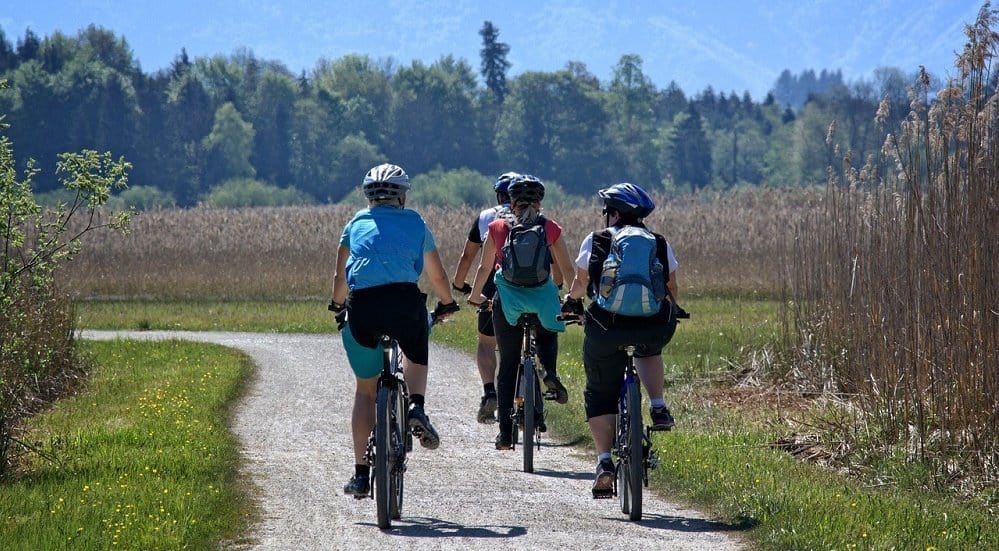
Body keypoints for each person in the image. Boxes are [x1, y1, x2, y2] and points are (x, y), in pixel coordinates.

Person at [330, 163, 459, 498]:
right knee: (416, 346)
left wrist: (337, 305)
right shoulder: (415, 222)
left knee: (365, 392)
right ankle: (416, 405)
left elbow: (340, 279)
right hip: (404, 303)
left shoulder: (355, 223)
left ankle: (360, 474)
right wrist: (447, 303)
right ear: (402, 196)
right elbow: (438, 275)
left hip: (363, 308)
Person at [560, 182, 680, 496]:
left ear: (614, 213)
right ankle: (658, 406)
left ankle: (604, 463)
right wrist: (669, 311)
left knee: (599, 391)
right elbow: (671, 288)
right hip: (652, 325)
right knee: (649, 349)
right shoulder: (658, 241)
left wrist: (572, 303)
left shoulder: (597, 239)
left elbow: (581, 280)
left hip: (606, 327)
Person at [468, 174, 575, 450]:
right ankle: (549, 372)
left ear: (510, 201)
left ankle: (505, 434)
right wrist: (566, 295)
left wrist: (476, 294)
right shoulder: (550, 227)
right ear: (539, 202)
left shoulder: (497, 226)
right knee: (549, 331)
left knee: (508, 366)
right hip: (542, 300)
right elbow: (566, 270)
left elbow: (484, 268)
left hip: (509, 303)